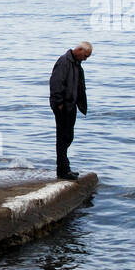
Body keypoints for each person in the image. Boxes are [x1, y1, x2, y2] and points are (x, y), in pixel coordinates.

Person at [49, 42, 92, 180]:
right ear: (79, 50)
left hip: (71, 105)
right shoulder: (64, 62)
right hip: (63, 107)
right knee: (63, 138)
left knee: (68, 137)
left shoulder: (76, 63)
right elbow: (55, 83)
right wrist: (59, 104)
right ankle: (62, 170)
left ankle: (65, 168)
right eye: (85, 56)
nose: (86, 59)